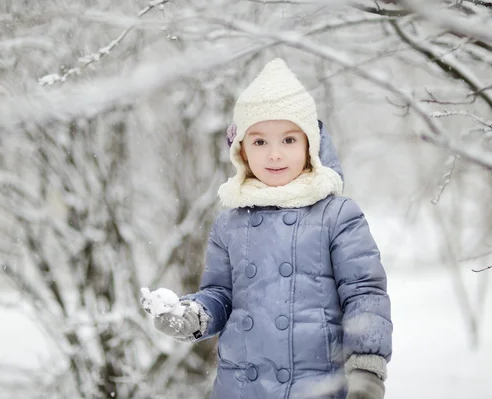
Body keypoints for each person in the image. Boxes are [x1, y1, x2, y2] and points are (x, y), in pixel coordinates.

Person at [141, 58, 392, 399]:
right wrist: (190, 315)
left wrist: (367, 368)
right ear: (241, 150)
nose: (274, 154)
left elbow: (364, 294)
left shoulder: (337, 215)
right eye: (260, 142)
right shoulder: (229, 222)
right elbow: (221, 295)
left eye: (289, 140)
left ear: (310, 146)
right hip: (243, 388)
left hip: (317, 386)